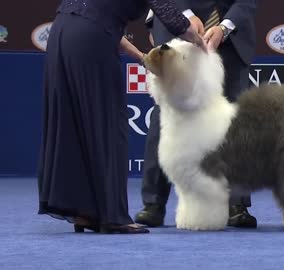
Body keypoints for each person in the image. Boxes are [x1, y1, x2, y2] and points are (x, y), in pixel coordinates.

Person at [37, 0, 206, 234]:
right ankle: (113, 217)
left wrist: (139, 56)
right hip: (90, 39)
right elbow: (172, 18)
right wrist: (199, 42)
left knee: (74, 122)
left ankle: (84, 212)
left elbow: (99, 19)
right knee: (108, 124)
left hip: (61, 33)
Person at [135, 0, 258, 228]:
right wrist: (184, 16)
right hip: (174, 19)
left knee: (233, 118)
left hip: (230, 32)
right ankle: (153, 203)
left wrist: (224, 27)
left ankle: (236, 203)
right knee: (167, 113)